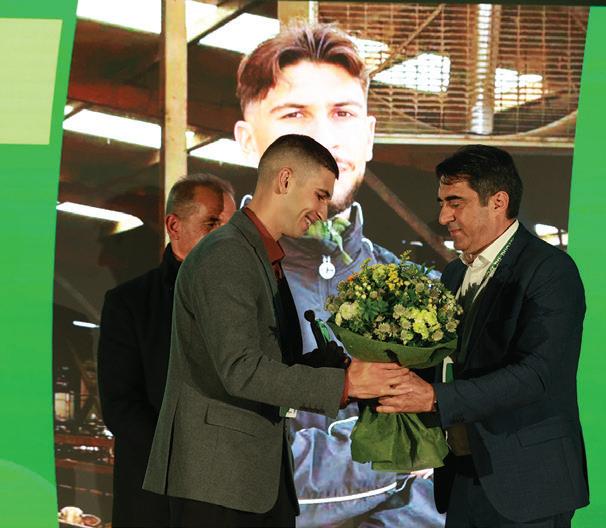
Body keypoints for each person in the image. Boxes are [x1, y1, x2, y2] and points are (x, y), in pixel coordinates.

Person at [234, 21, 444, 527]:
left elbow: (457, 481)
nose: (323, 139)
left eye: (342, 113)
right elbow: (243, 472)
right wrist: (404, 453)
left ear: (368, 137)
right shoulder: (205, 285)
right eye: (294, 114)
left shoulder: (421, 295)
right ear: (247, 141)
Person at [143, 134, 410, 527]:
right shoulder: (227, 254)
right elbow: (241, 370)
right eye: (320, 196)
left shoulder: (262, 255)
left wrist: (334, 366)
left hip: (254, 477)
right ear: (284, 180)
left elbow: (270, 361)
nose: (323, 212)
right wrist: (346, 384)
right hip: (219, 480)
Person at [377, 145, 589, 527]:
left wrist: (435, 398)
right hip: (462, 476)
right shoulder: (454, 274)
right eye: (442, 203)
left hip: (530, 484)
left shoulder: (551, 271)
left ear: (498, 202)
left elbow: (537, 374)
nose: (443, 216)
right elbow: (443, 361)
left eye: (455, 203)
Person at [97, 174, 236, 527]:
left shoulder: (250, 303)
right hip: (157, 500)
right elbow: (121, 406)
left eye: (232, 227)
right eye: (212, 223)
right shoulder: (129, 303)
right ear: (174, 226)